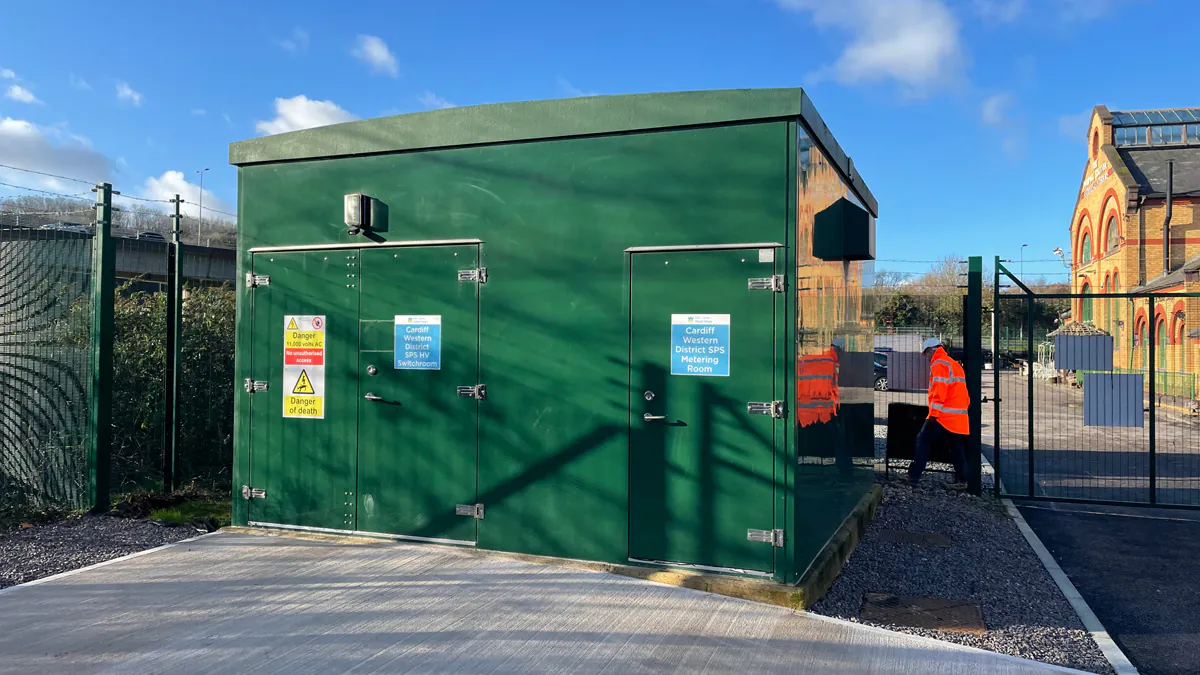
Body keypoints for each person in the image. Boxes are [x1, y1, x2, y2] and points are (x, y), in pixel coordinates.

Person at [908, 338, 969, 489]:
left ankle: (914, 477)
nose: (927, 357)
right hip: (958, 416)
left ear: (931, 350)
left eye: (926, 353)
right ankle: (962, 481)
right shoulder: (954, 364)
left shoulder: (939, 364)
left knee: (922, 440)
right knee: (956, 447)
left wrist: (933, 414)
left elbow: (939, 391)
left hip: (942, 415)